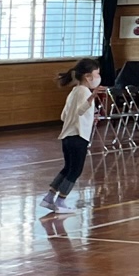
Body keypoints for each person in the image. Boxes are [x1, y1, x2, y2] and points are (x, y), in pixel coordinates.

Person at [38, 58, 105, 215]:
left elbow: (64, 115)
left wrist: (89, 115)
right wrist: (92, 97)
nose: (98, 77)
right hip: (78, 137)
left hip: (67, 136)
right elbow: (80, 110)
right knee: (75, 170)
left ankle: (49, 197)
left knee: (68, 168)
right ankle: (61, 201)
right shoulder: (84, 92)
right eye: (97, 74)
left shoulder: (74, 91)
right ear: (88, 76)